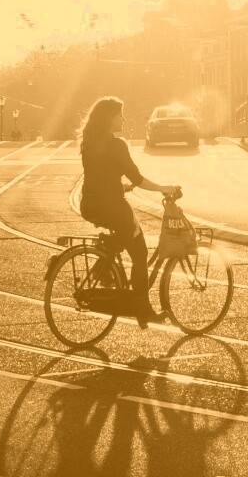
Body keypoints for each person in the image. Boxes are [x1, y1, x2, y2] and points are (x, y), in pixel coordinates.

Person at [77, 97, 181, 328]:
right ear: (109, 118)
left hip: (90, 205)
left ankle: (105, 260)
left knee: (124, 240)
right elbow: (137, 178)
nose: (123, 119)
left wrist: (120, 186)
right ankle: (143, 309)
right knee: (140, 253)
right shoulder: (117, 145)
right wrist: (164, 188)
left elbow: (99, 176)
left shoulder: (90, 142)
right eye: (119, 115)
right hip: (113, 207)